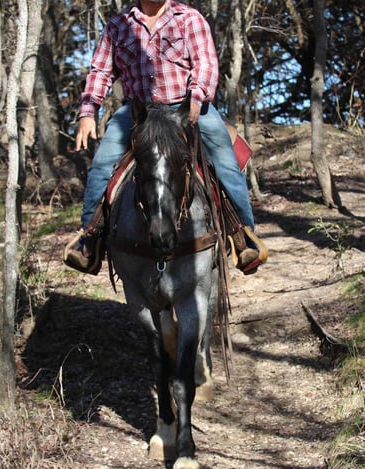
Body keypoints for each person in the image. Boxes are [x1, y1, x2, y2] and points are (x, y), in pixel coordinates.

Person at [65, 0, 265, 274]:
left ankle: (243, 236)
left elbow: (205, 64)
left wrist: (196, 98)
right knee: (101, 166)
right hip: (139, 112)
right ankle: (90, 241)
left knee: (225, 162)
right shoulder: (118, 25)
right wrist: (88, 112)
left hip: (186, 106)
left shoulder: (189, 18)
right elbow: (101, 72)